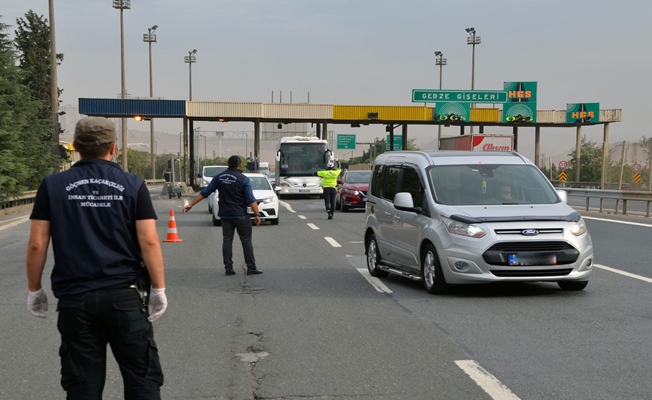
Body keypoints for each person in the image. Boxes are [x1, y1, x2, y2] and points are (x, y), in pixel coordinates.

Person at [26, 116, 167, 399]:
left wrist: (35, 289)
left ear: (76, 146)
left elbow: (37, 245)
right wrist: (158, 288)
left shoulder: (53, 185)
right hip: (125, 298)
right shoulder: (133, 184)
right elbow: (149, 241)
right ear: (114, 147)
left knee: (82, 385)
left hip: (75, 300)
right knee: (142, 381)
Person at [183, 155, 263, 276]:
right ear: (240, 165)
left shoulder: (218, 178)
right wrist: (257, 214)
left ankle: (228, 268)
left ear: (227, 164)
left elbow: (205, 192)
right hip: (240, 214)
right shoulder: (243, 179)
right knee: (246, 241)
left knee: (227, 240)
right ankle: (251, 267)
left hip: (225, 215)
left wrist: (191, 204)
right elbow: (251, 199)